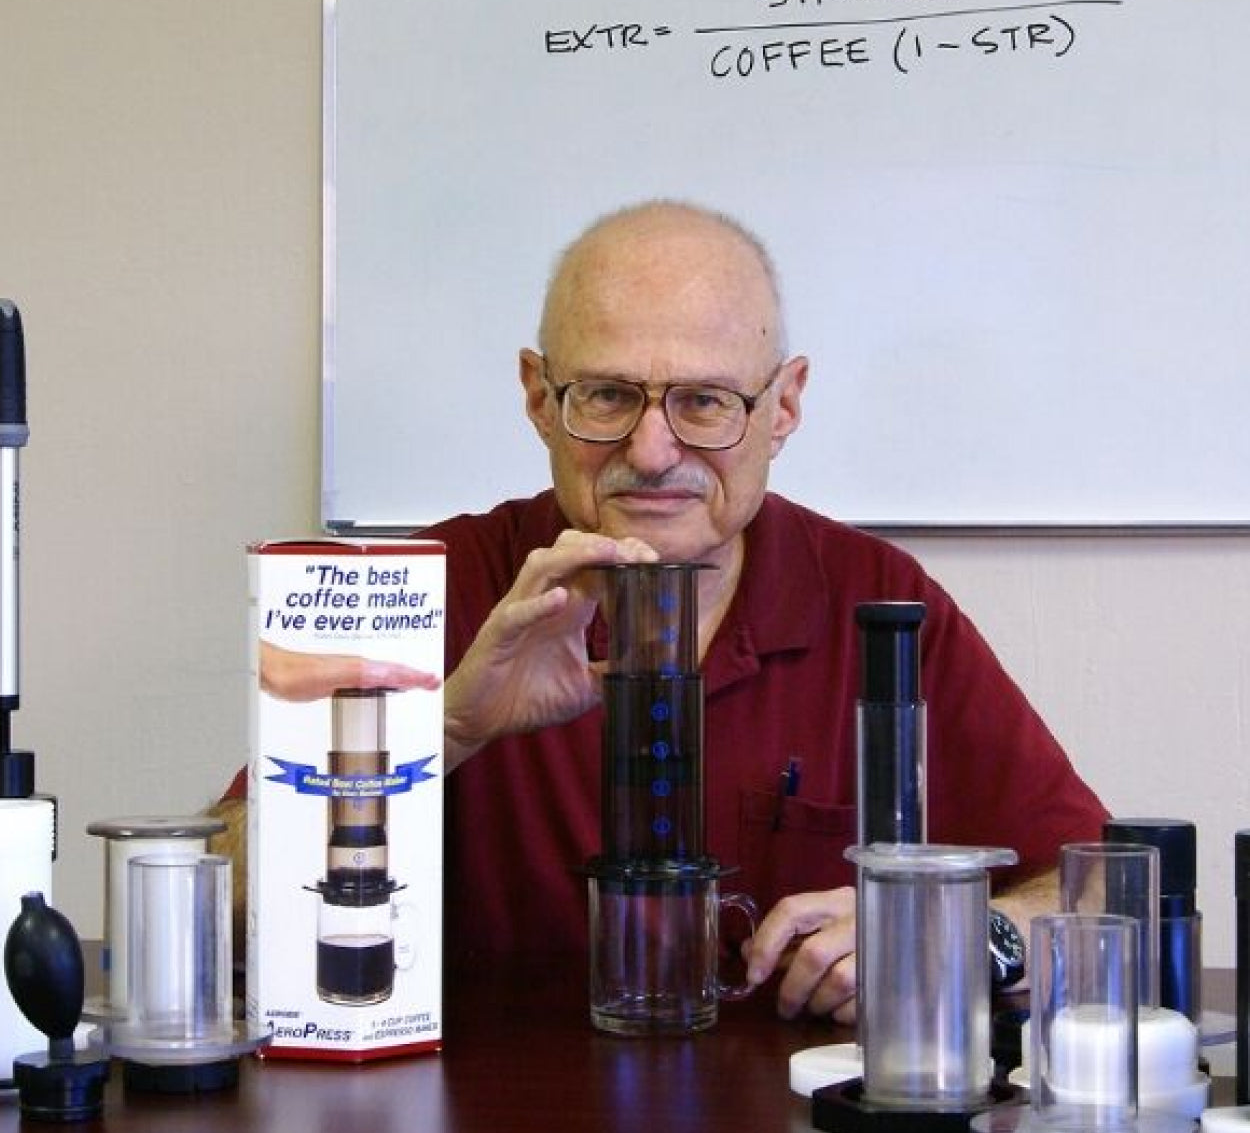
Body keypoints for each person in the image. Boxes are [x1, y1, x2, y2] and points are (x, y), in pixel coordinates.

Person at [215, 199, 1108, 1022]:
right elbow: (220, 891)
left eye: (705, 402)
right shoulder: (417, 587)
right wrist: (441, 731)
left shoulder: (879, 602)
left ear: (784, 404)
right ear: (539, 397)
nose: (651, 450)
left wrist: (957, 939)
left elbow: (1099, 887)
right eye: (606, 396)